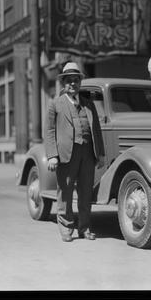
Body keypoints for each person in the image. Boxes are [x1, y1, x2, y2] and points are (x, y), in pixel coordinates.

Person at [44, 62, 105, 242]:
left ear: (80, 82)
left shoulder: (88, 104)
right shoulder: (55, 104)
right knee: (66, 191)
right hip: (65, 154)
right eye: (69, 80)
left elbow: (96, 129)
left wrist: (100, 153)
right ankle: (66, 227)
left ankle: (84, 228)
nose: (73, 83)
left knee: (86, 192)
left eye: (76, 80)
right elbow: (49, 131)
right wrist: (52, 156)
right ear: (63, 83)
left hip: (87, 153)